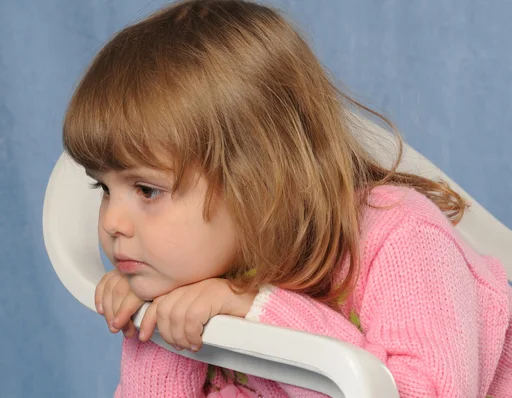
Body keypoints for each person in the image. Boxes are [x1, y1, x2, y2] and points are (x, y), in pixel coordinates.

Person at [62, 0, 512, 396]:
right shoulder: (198, 268)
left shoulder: (403, 240)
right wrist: (154, 325)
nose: (112, 222)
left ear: (259, 180)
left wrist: (254, 308)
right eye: (103, 189)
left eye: (146, 190)